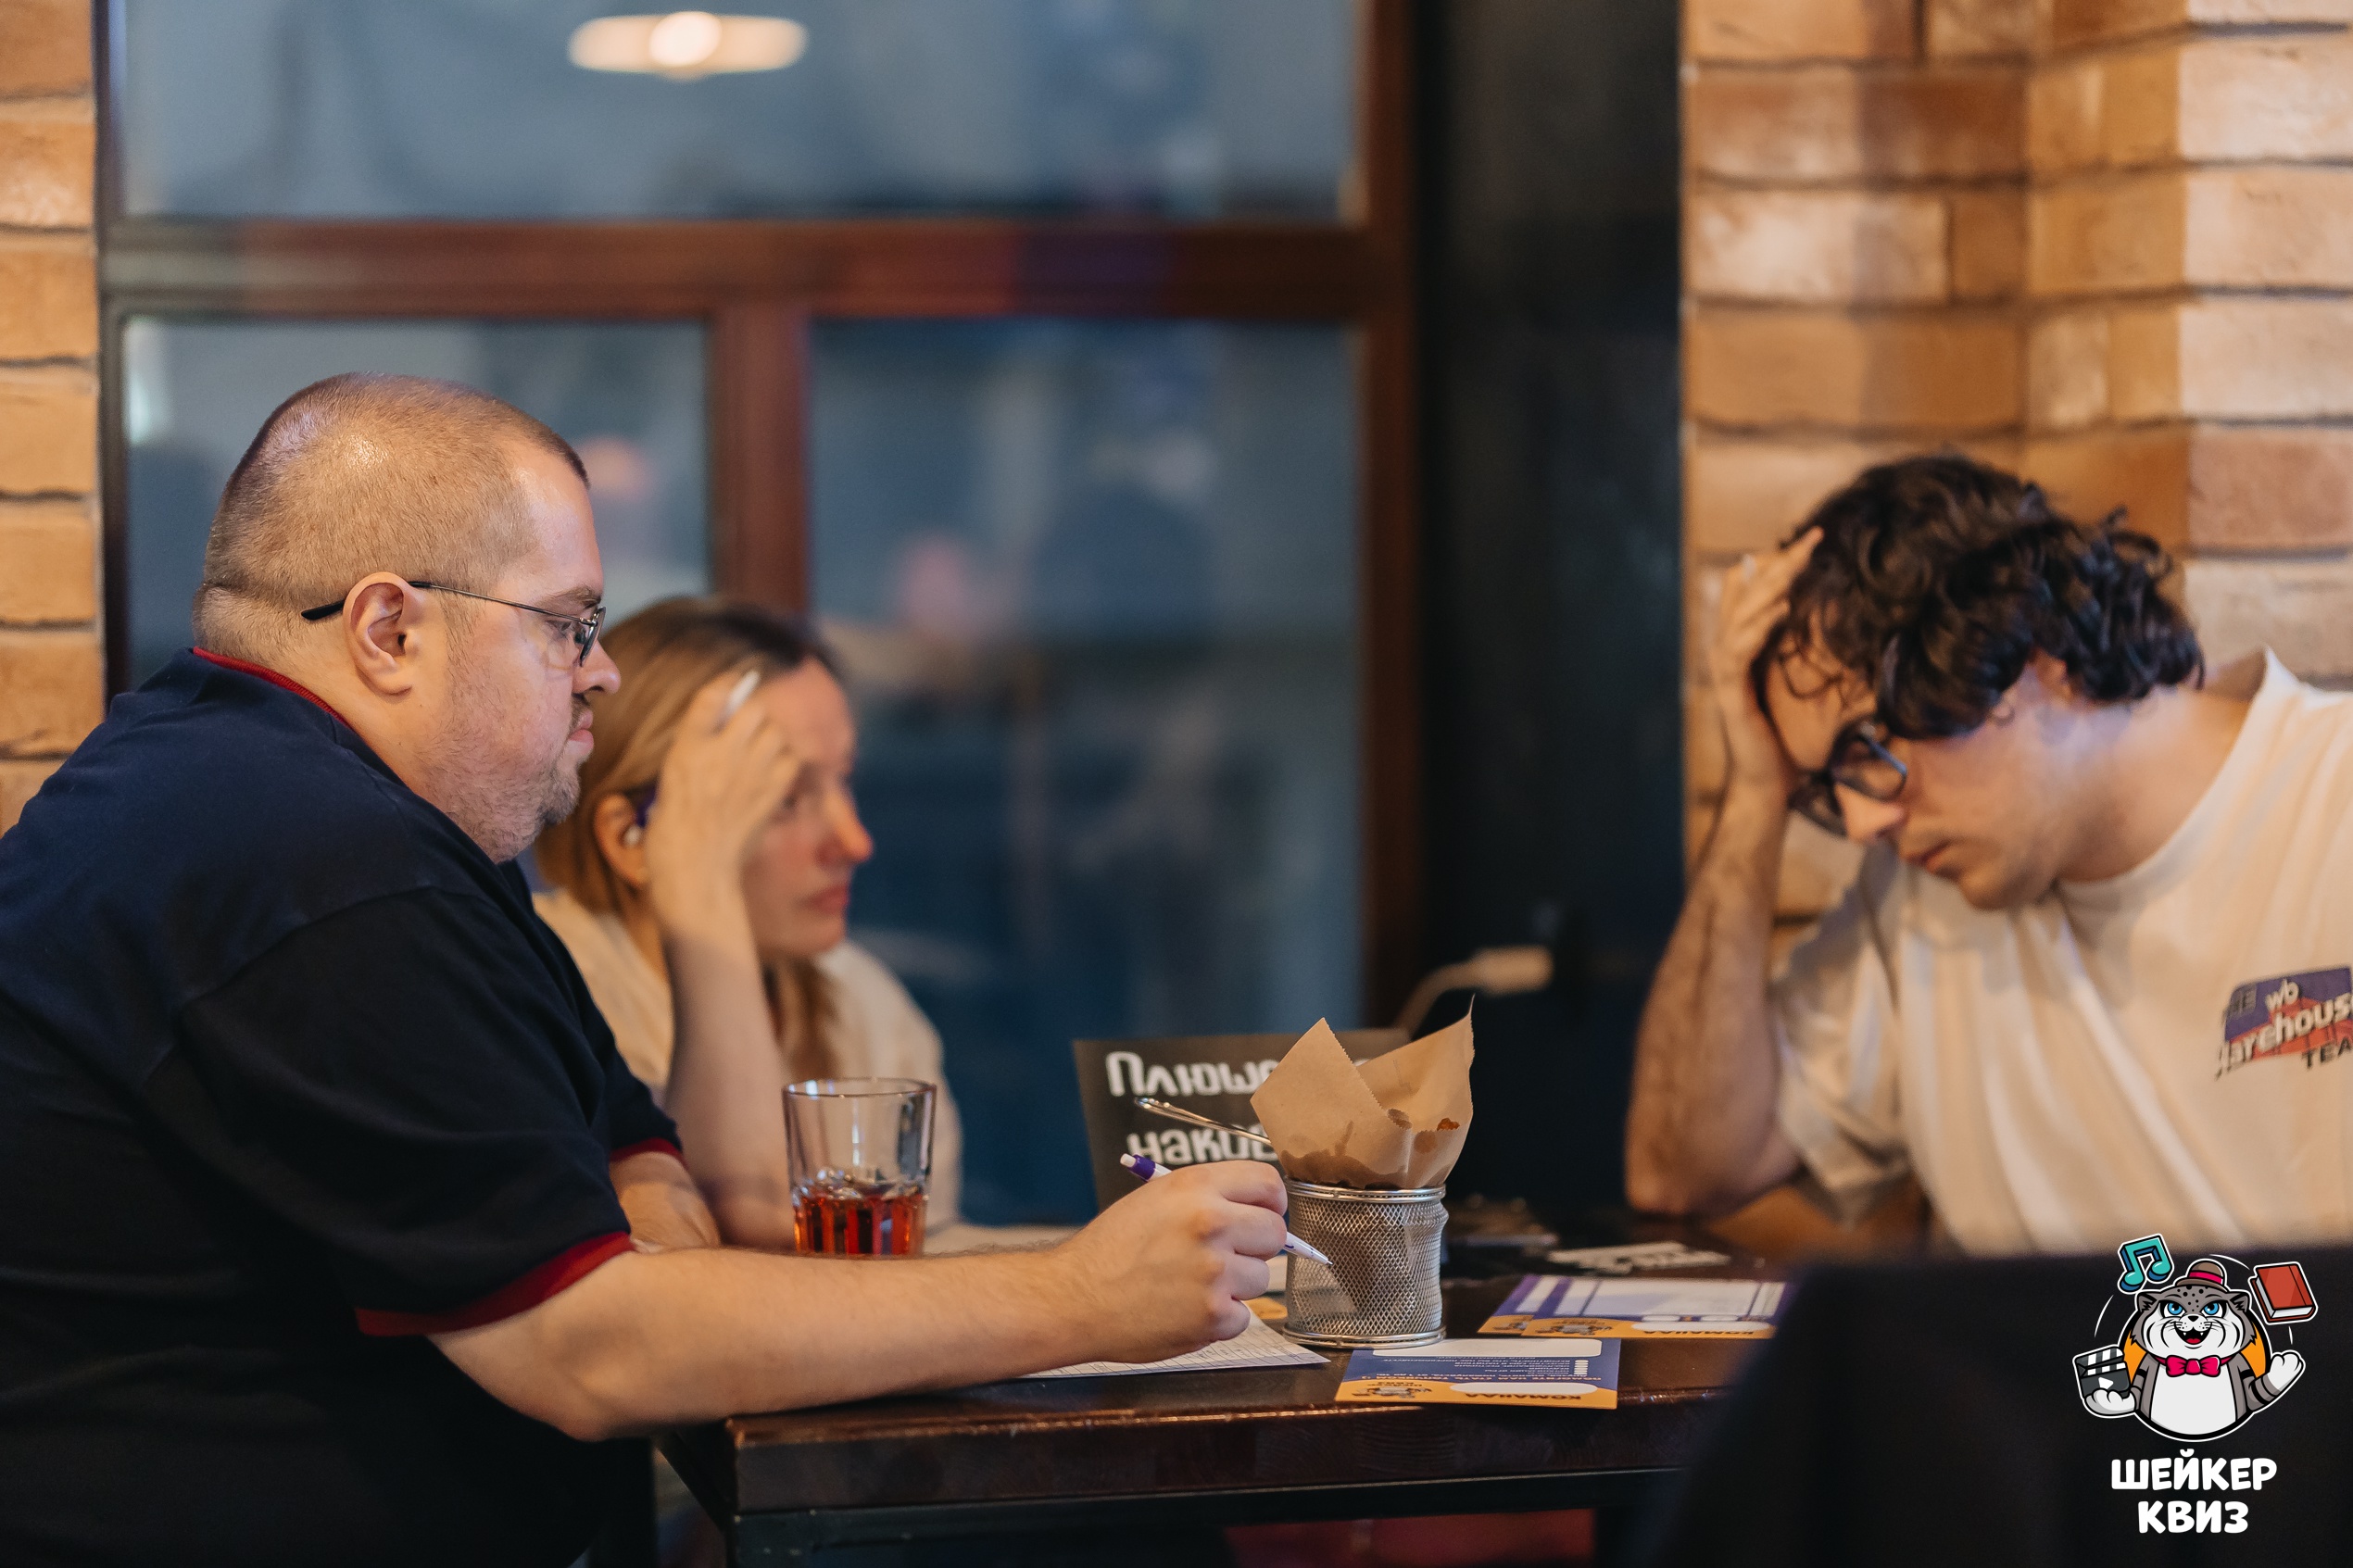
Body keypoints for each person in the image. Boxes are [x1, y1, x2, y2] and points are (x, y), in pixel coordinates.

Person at [0, 373, 1286, 1568]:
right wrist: (1086, 1294)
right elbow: (588, 1350)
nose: (600, 670)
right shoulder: (314, 859)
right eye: (567, 625)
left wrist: (648, 1262)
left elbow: (628, 1140)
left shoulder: (309, 802)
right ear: (390, 628)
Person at [1627, 452, 2353, 1254]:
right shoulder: (1918, 901)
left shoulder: (2331, 804)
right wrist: (1757, 793)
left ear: (2036, 652)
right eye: (1830, 785)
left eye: (1869, 747)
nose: (1864, 822)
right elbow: (1680, 1170)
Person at [534, 598, 966, 1242]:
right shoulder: (547, 998)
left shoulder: (867, 1009)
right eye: (784, 798)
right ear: (630, 838)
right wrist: (696, 882)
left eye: (845, 780)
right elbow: (728, 1245)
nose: (854, 842)